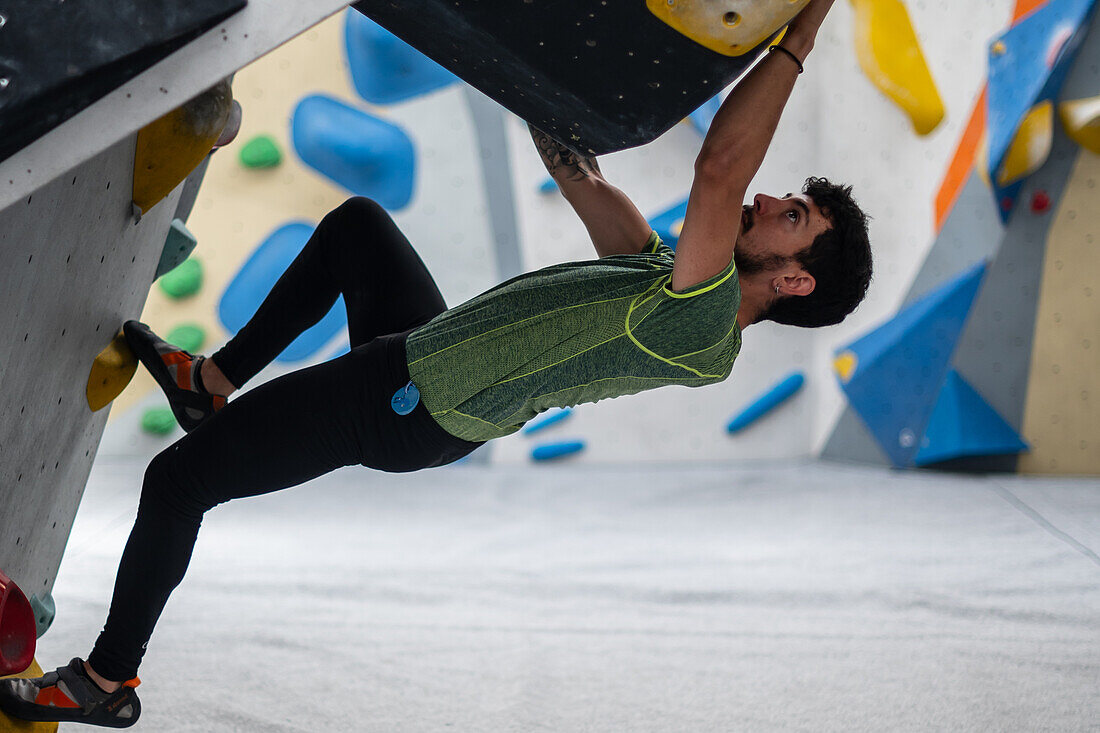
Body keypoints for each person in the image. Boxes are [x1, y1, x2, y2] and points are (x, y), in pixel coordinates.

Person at [0, 0, 868, 726]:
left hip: (411, 403)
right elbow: (582, 179)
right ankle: (212, 382)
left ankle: (109, 681)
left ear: (793, 281)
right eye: (782, 197)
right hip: (427, 354)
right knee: (357, 229)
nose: (764, 199)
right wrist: (533, 59)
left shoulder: (703, 325)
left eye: (790, 215)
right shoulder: (670, 278)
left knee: (178, 483)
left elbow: (721, 167)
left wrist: (801, 28)